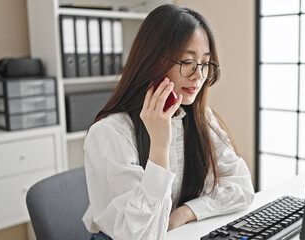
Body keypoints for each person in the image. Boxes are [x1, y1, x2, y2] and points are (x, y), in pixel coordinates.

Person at [82, 4, 255, 240]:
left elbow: (242, 187)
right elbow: (142, 235)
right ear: (153, 63)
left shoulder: (199, 117)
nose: (199, 76)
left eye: (205, 63)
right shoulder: (110, 133)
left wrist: (185, 213)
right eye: (187, 62)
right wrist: (160, 146)